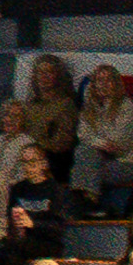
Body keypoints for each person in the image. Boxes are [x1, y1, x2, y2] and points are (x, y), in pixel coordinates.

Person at [0, 144, 67, 265]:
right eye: (24, 162)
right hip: (21, 240)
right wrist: (16, 226)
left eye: (32, 162)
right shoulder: (18, 189)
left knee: (12, 253)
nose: (28, 167)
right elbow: (10, 219)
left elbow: (59, 227)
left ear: (44, 163)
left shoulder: (55, 190)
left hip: (47, 242)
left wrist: (33, 224)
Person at [70, 63, 133, 215]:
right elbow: (82, 135)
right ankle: (88, 202)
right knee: (83, 152)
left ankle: (87, 203)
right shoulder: (89, 108)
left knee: (87, 164)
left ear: (116, 84)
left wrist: (95, 142)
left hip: (129, 163)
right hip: (100, 160)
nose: (103, 84)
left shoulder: (127, 108)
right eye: (99, 80)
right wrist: (100, 143)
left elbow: (116, 145)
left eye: (108, 80)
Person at [25, 54, 81, 182]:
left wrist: (35, 149)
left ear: (58, 76)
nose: (44, 76)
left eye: (49, 72)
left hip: (51, 162)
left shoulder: (66, 105)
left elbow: (62, 144)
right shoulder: (30, 105)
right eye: (40, 72)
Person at [0, 97, 35, 178]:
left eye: (16, 116)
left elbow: (24, 176)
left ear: (23, 120)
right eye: (7, 114)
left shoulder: (28, 143)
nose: (10, 119)